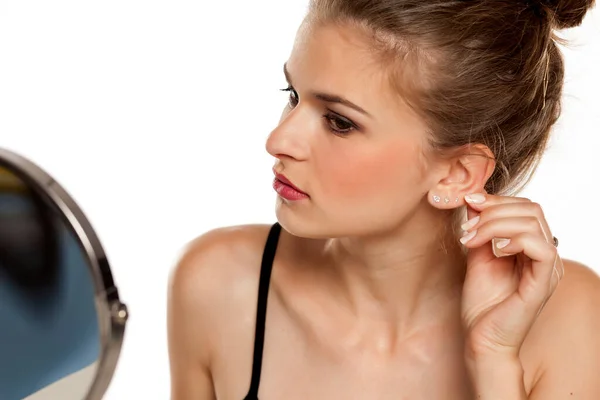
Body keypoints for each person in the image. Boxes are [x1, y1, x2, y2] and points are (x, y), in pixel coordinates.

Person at [167, 0, 599, 398]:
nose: (278, 140)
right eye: (292, 96)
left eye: (339, 122)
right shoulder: (221, 286)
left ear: (456, 174)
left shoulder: (571, 321)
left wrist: (493, 359)